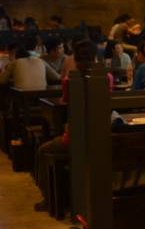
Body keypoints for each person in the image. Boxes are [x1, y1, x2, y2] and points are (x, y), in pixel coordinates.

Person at [35, 39, 112, 211]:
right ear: (96, 57)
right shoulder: (107, 77)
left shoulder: (70, 80)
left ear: (75, 59)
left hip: (76, 139)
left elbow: (65, 109)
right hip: (103, 137)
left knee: (43, 150)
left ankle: (50, 199)